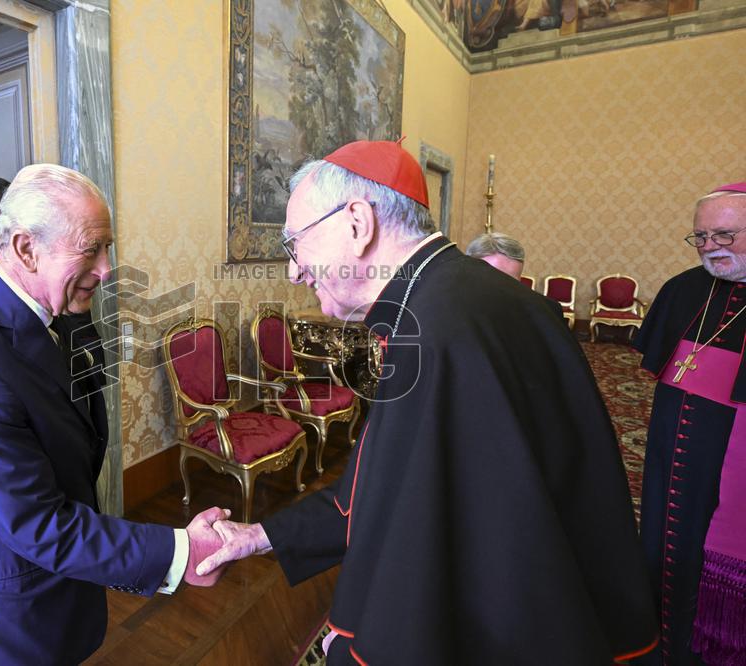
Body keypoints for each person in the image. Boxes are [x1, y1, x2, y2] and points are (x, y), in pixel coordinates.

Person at [195, 140, 658, 664]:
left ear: (357, 223)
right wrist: (260, 535)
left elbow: (422, 539)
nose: (294, 271)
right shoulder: (466, 298)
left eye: (295, 243)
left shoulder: (434, 332)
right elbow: (381, 488)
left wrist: (360, 647)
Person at [0, 164, 228, 664]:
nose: (107, 269)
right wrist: (181, 551)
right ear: (26, 249)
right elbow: (37, 523)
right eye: (90, 249)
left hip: (48, 589)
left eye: (107, 247)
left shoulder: (59, 314)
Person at [633, 182, 746, 666]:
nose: (710, 247)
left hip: (730, 459)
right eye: (700, 237)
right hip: (669, 448)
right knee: (663, 536)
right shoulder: (682, 289)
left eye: (724, 235)